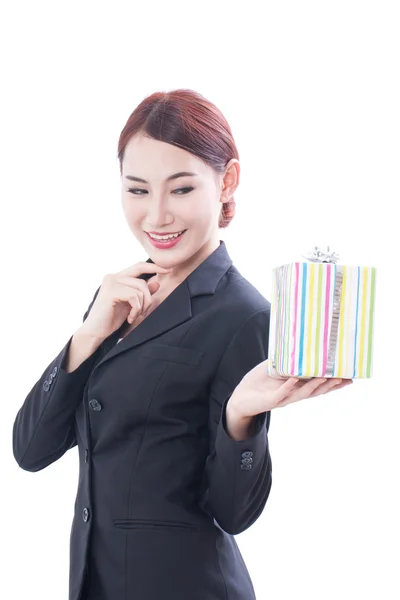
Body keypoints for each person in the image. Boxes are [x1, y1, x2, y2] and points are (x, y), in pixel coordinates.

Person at [12, 89, 352, 600]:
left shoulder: (247, 316)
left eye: (182, 189)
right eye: (137, 190)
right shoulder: (118, 295)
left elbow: (234, 514)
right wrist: (87, 336)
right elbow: (31, 450)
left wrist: (240, 418)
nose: (157, 216)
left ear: (227, 182)